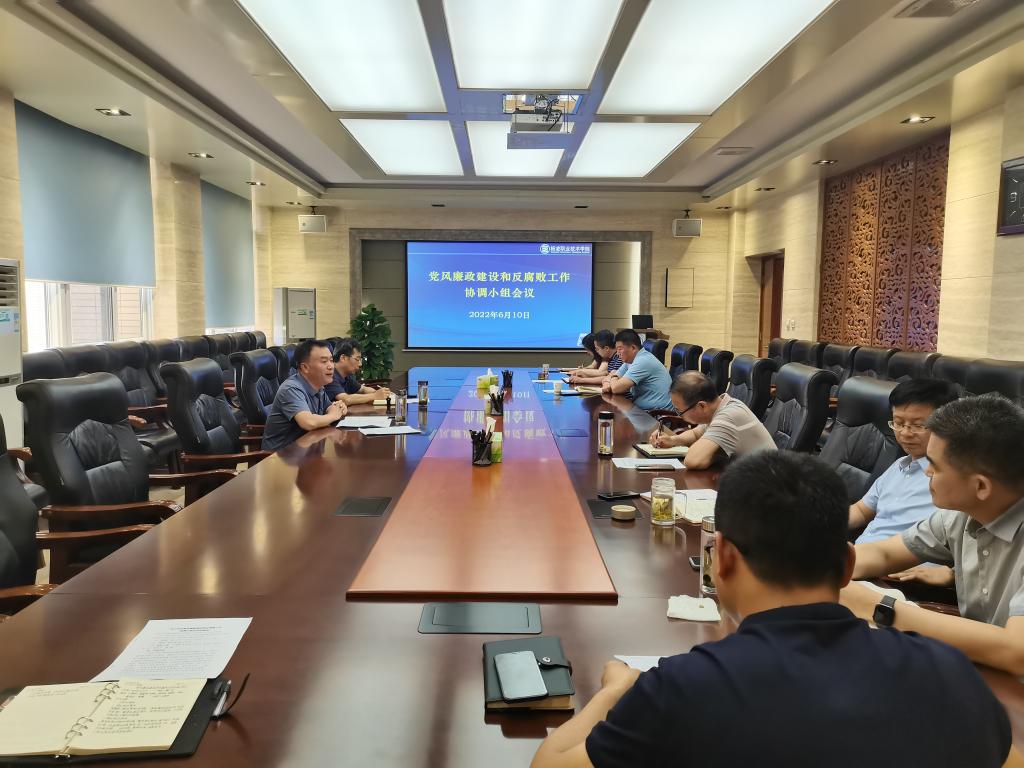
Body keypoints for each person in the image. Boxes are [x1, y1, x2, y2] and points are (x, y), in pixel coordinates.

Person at [531, 451, 1011, 768]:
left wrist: (614, 690)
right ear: (848, 566)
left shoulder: (681, 689)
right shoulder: (948, 672)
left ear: (722, 557)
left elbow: (549, 763)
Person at [842, 394, 1024, 677]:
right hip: (977, 668)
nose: (926, 472)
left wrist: (879, 606)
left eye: (935, 466)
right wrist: (814, 568)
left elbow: (1016, 651)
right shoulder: (961, 515)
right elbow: (884, 553)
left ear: (981, 487)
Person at [849, 378, 960, 544]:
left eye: (918, 425)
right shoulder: (899, 466)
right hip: (859, 552)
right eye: (899, 423)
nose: (905, 433)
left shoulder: (954, 479)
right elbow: (861, 510)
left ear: (947, 423)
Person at [647, 370, 775, 470]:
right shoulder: (721, 406)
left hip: (767, 486)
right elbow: (696, 433)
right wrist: (672, 440)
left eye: (680, 411)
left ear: (701, 406)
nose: (680, 416)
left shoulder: (729, 416)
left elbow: (693, 461)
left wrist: (716, 455)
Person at [262, 339, 347, 452]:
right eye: (324, 361)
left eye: (331, 360)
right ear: (305, 367)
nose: (331, 366)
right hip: (279, 456)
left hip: (305, 450)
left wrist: (338, 407)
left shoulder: (318, 385)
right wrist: (334, 415)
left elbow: (329, 407)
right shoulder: (291, 389)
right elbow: (308, 422)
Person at [600, 330, 671, 411]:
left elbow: (616, 388)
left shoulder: (643, 360)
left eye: (620, 349)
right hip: (642, 410)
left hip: (657, 414)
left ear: (633, 348)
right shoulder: (630, 360)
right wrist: (607, 381)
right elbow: (609, 378)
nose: (617, 353)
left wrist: (613, 376)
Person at [326, 338, 391, 406]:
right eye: (357, 359)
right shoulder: (330, 374)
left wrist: (381, 393)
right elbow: (346, 399)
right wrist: (375, 396)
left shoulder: (347, 375)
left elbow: (362, 389)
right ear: (343, 358)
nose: (360, 364)